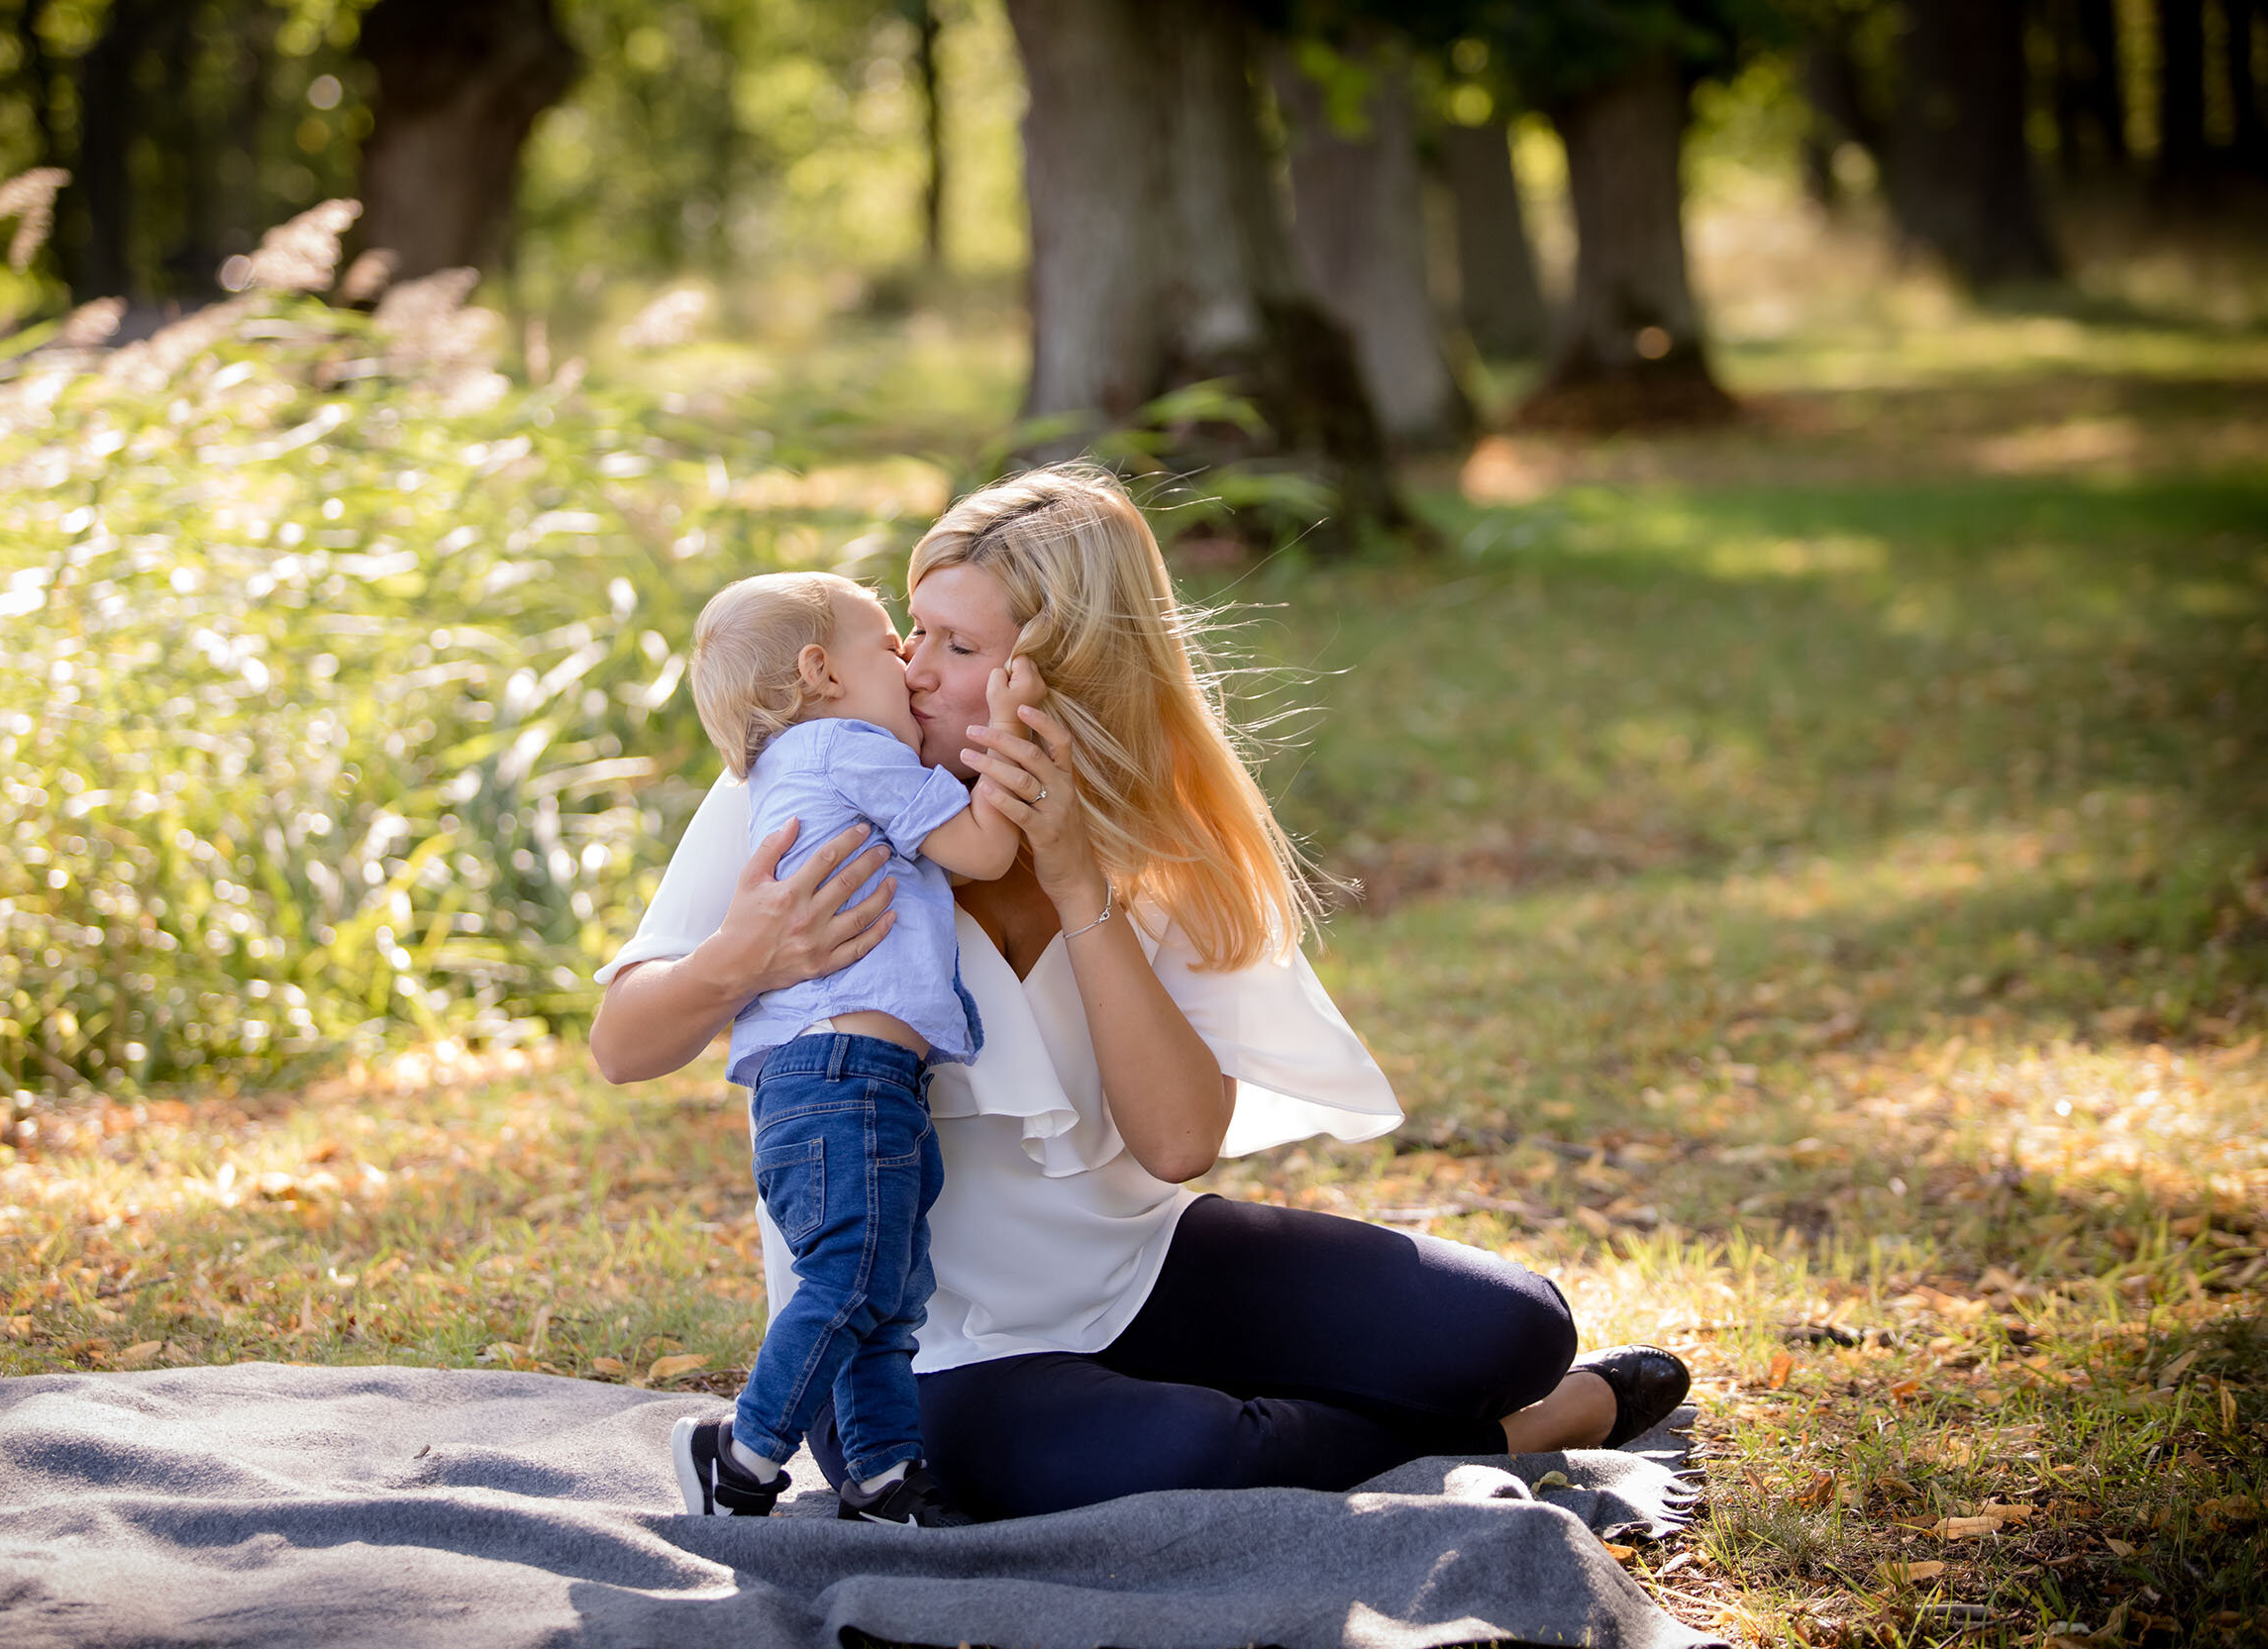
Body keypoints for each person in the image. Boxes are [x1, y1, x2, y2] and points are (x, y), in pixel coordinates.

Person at [591, 464, 1690, 1522]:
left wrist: (1078, 881)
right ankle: (1506, 1443)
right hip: (930, 1345)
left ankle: (1342, 1424)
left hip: (1135, 1267)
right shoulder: (804, 782)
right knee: (1197, 1450)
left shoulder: (1146, 837)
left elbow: (1174, 1146)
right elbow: (622, 1047)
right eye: (911, 630)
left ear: (1060, 675)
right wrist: (740, 960)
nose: (913, 666)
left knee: (1509, 1330)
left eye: (957, 644)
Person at [667, 571, 1032, 1528]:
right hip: (841, 1072)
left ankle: (876, 1473)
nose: (909, 659)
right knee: (858, 1273)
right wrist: (1014, 726)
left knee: (893, 1287)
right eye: (888, 643)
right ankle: (739, 1450)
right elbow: (986, 850)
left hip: (853, 1075)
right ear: (820, 671)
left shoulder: (809, 758)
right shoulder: (844, 747)